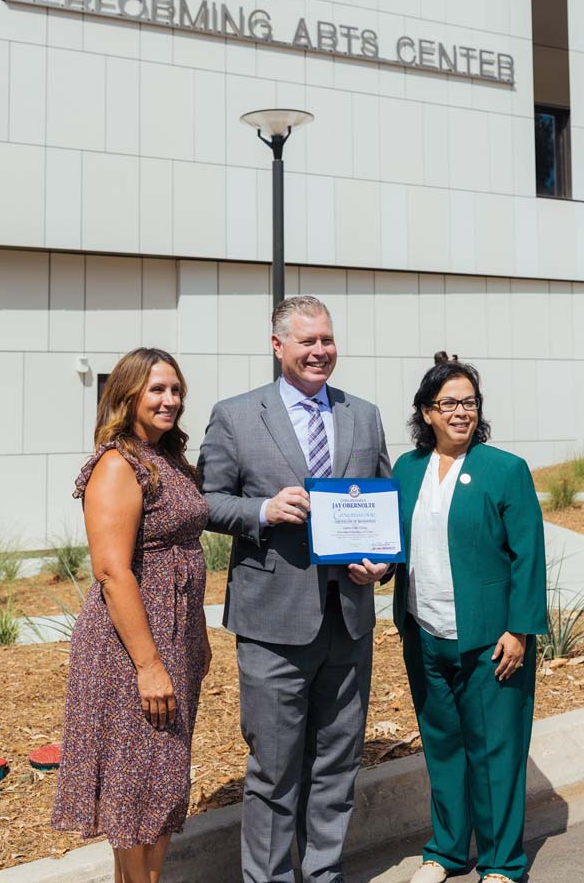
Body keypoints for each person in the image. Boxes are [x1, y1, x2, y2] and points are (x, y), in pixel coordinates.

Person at [198, 295, 391, 883]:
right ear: (278, 345)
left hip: (348, 620)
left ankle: (323, 874)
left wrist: (379, 566)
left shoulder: (364, 414)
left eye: (327, 340)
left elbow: (382, 505)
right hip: (273, 624)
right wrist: (263, 509)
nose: (320, 351)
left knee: (337, 764)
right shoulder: (236, 415)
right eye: (307, 341)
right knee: (275, 771)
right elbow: (205, 501)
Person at [52, 348, 212, 883]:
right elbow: (112, 572)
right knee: (138, 789)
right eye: (157, 390)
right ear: (128, 396)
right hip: (130, 647)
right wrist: (148, 664)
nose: (171, 400)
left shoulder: (164, 456)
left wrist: (194, 642)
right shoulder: (118, 464)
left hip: (173, 637)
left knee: (160, 783)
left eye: (176, 390)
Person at [393, 356, 547, 883]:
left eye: (469, 402)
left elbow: (529, 555)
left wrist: (520, 630)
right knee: (443, 747)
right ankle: (446, 852)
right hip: (425, 633)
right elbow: (395, 545)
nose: (461, 413)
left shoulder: (505, 469)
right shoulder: (406, 469)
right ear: (426, 411)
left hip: (491, 639)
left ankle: (502, 863)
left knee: (496, 752)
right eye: (449, 404)